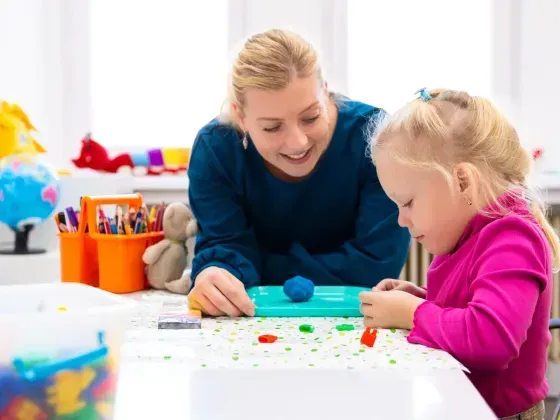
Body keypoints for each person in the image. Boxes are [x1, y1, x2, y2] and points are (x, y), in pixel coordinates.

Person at [359, 87, 558, 419]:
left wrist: (413, 313)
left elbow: (491, 339)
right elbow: (472, 307)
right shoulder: (467, 232)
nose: (400, 219)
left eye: (408, 202)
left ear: (463, 181)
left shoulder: (512, 238)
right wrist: (422, 298)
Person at [187, 29, 410, 318]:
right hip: (253, 322)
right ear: (240, 117)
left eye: (311, 117)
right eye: (272, 127)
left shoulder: (375, 137)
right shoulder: (216, 149)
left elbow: (376, 265)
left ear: (325, 91)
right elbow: (224, 248)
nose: (298, 142)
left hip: (357, 318)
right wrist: (216, 275)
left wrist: (256, 266)